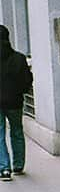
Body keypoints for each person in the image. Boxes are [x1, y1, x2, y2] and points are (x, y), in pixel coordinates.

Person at [0, 24, 32, 182]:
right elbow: (27, 80)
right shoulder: (19, 58)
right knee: (17, 131)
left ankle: (4, 168)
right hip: (15, 101)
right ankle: (18, 165)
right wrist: (20, 91)